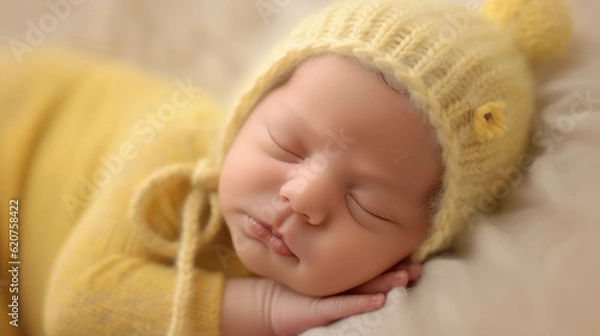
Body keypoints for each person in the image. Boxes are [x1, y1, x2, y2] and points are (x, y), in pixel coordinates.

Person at [0, 0, 572, 335]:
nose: (301, 196)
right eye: (285, 144)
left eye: (365, 204)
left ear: (417, 249)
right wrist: (266, 309)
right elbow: (79, 306)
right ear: (249, 109)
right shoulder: (174, 152)